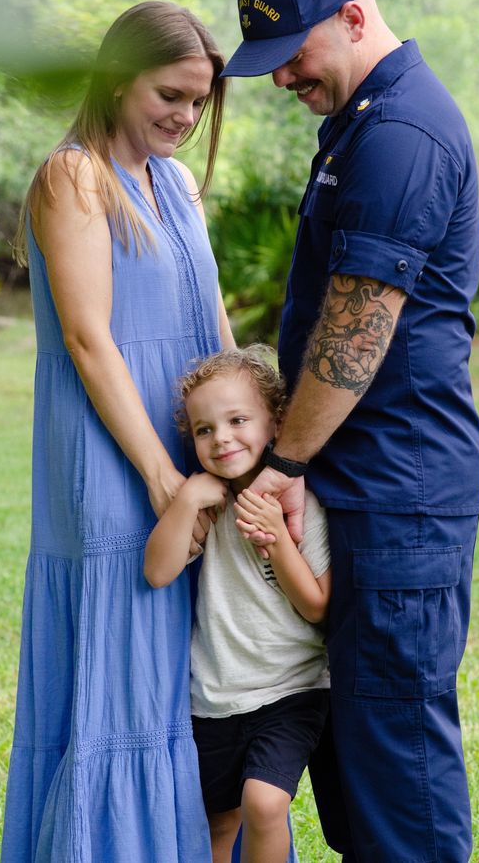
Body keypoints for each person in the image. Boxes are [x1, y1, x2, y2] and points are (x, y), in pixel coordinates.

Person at [221, 0, 479, 861]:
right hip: (365, 484)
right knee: (358, 776)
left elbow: (358, 329)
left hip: (399, 492)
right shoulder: (359, 123)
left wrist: (285, 464)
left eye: (292, 54)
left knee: (399, 782)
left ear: (351, 15)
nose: (284, 77)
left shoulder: (402, 132)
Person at [1, 1, 236, 862]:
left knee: (179, 689)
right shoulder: (74, 177)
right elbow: (89, 339)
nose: (184, 116)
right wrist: (158, 476)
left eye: (198, 104)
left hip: (186, 458)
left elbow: (212, 322)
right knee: (120, 682)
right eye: (169, 94)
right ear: (115, 77)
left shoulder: (174, 183)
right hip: (111, 467)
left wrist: (249, 435)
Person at [144, 347, 332, 863]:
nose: (221, 437)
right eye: (204, 430)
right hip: (213, 697)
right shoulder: (211, 503)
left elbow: (317, 606)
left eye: (237, 420)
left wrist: (277, 540)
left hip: (291, 691)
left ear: (275, 423)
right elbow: (159, 571)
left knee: (264, 802)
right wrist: (184, 499)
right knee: (218, 819)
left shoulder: (301, 504)